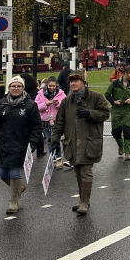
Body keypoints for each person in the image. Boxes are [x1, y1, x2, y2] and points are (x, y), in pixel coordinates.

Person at [50, 71, 110, 216]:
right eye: (71, 81)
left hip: (89, 141)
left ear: (83, 82)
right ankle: (83, 199)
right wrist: (55, 139)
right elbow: (60, 122)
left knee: (86, 172)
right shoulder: (66, 101)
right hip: (72, 141)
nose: (73, 84)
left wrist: (90, 113)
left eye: (76, 81)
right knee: (77, 171)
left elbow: (105, 113)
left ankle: (84, 202)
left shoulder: (96, 97)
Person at [0, 76, 42, 214]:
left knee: (14, 172)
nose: (16, 88)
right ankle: (18, 188)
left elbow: (37, 126)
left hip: (21, 144)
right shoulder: (1, 103)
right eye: (13, 86)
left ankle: (14, 202)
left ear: (22, 88)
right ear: (9, 88)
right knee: (2, 173)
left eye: (19, 86)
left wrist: (33, 143)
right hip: (4, 143)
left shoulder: (30, 105)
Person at [105, 65, 130, 160]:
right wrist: (114, 102)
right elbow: (107, 94)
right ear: (125, 74)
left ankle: (127, 153)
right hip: (116, 110)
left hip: (127, 110)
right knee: (115, 132)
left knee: (127, 131)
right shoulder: (115, 83)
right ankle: (121, 145)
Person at [35, 76, 66, 168]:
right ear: (47, 85)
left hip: (57, 120)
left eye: (54, 86)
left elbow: (65, 105)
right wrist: (46, 104)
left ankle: (59, 157)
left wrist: (57, 104)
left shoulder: (61, 94)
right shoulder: (40, 94)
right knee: (49, 140)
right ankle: (52, 157)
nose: (52, 87)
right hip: (45, 121)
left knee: (55, 139)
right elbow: (36, 106)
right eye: (50, 86)